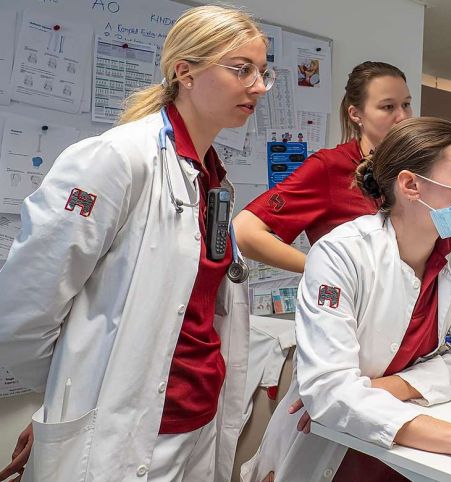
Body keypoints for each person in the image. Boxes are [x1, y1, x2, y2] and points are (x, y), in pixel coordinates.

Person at [0, 6, 273, 481]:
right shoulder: (118, 159)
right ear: (184, 71)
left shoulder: (213, 179)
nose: (257, 86)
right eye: (241, 69)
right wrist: (71, 402)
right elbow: (25, 306)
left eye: (262, 72)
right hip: (126, 429)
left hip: (200, 418)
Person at [240, 118, 451, 482]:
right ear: (411, 185)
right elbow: (328, 391)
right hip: (324, 444)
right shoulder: (341, 254)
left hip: (409, 439)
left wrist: (367, 392)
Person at [233, 61, 412, 272]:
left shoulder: (415, 168)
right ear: (356, 114)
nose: (403, 117)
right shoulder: (329, 166)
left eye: (406, 104)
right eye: (388, 107)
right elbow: (243, 232)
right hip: (355, 302)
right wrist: (324, 270)